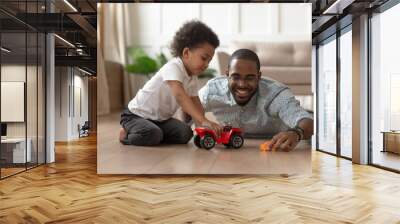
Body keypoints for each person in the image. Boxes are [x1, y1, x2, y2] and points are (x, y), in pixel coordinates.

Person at [119, 20, 223, 146]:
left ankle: (156, 134)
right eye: (204, 58)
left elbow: (196, 102)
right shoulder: (173, 67)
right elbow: (180, 96)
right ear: (186, 53)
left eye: (209, 61)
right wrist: (203, 120)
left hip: (160, 120)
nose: (206, 65)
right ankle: (126, 134)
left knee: (185, 133)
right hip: (136, 115)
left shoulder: (192, 77)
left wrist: (202, 126)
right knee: (152, 134)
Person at [199, 49, 313, 151]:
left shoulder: (275, 94)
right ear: (227, 74)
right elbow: (188, 106)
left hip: (275, 140)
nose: (242, 84)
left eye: (250, 78)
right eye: (236, 77)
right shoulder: (212, 90)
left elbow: (308, 121)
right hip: (239, 143)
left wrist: (296, 133)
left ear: (259, 76)